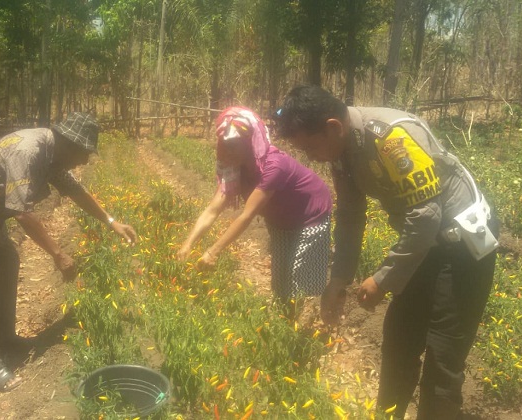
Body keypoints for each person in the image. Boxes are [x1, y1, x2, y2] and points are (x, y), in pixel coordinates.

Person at [277, 85, 499, 419]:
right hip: (424, 245)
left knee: (442, 356)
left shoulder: (390, 137)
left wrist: (383, 278)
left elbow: (426, 216)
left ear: (333, 127)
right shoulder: (342, 154)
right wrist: (339, 278)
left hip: (463, 244)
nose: (310, 157)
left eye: (309, 146)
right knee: (399, 341)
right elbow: (351, 216)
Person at [0, 112, 137, 392]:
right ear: (69, 143)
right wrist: (58, 254)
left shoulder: (53, 153)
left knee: (8, 261)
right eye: (84, 152)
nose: (85, 161)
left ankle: (5, 338)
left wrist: (112, 222)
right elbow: (23, 214)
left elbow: (75, 189)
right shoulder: (29, 151)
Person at [177, 106, 333, 318]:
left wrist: (213, 252)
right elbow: (213, 210)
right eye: (225, 144)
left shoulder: (274, 166)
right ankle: (285, 323)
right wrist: (187, 244)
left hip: (310, 215)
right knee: (280, 279)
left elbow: (246, 215)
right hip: (281, 220)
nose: (227, 150)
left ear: (250, 141)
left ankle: (315, 321)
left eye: (234, 144)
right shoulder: (236, 169)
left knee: (300, 278)